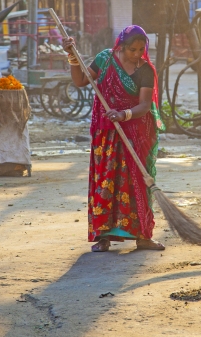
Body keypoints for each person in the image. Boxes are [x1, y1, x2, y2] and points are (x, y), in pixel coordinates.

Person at [63, 25, 165, 252]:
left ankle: (143, 236)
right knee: (106, 181)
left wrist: (124, 114)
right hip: (107, 133)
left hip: (136, 133)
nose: (137, 54)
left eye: (141, 49)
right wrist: (72, 55)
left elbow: (145, 105)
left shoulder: (146, 69)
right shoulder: (105, 60)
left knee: (138, 181)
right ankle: (104, 236)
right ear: (121, 45)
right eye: (132, 49)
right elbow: (81, 81)